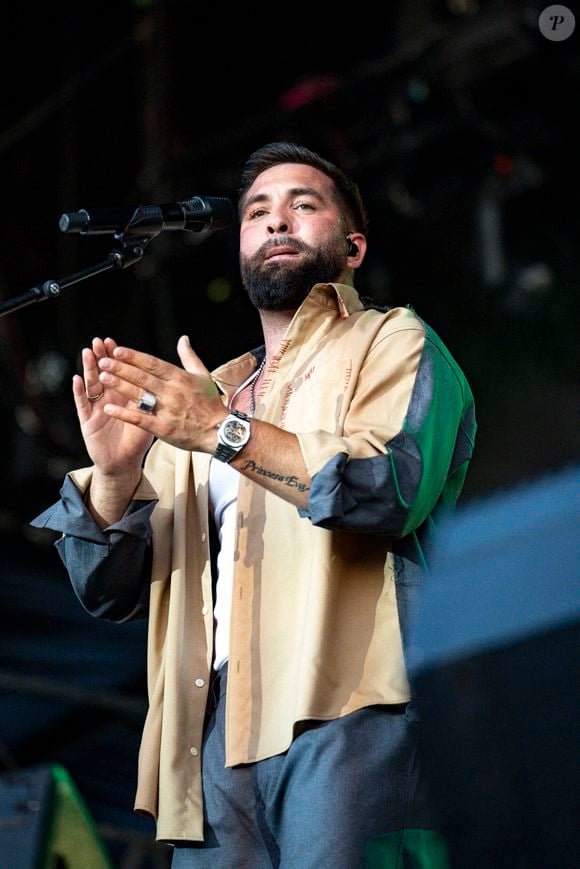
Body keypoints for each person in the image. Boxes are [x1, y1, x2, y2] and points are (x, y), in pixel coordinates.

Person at [33, 142, 476, 867]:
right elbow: (108, 589)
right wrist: (114, 475)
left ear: (354, 246)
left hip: (351, 705)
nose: (276, 221)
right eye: (257, 213)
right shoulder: (206, 394)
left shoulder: (391, 340)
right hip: (206, 740)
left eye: (303, 205)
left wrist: (221, 431)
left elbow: (383, 488)